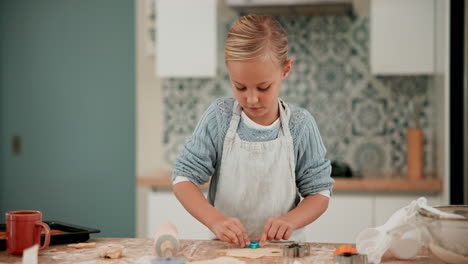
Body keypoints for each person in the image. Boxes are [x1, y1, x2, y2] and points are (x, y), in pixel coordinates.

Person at [172, 15, 334, 248]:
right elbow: (183, 179)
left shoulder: (301, 125)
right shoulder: (220, 118)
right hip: (225, 250)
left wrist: (290, 220)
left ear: (286, 70)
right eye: (240, 86)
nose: (251, 98)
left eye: (263, 87)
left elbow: (320, 193)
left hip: (284, 251)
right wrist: (215, 220)